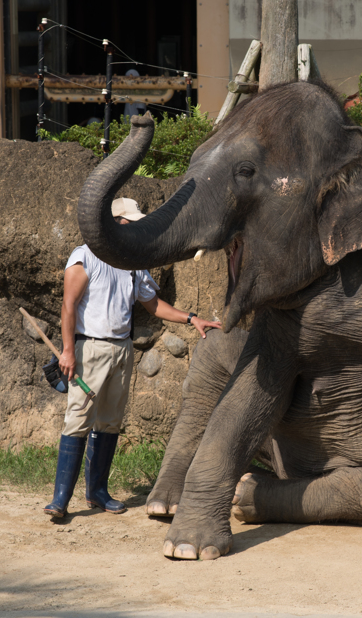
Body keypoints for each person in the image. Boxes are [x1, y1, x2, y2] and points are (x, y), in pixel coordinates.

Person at [44, 197, 221, 518]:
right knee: (78, 419)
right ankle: (60, 499)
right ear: (113, 222)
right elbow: (68, 305)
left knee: (110, 422)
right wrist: (68, 351)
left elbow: (152, 303)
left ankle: (97, 492)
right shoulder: (85, 256)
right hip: (90, 349)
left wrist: (190, 317)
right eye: (130, 221)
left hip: (121, 350)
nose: (135, 227)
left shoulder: (133, 262)